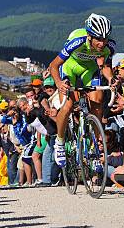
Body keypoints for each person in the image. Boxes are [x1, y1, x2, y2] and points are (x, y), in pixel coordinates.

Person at [48, 13, 115, 167]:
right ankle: (59, 142)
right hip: (70, 67)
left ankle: (93, 148)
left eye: (105, 38)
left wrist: (111, 79)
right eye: (98, 39)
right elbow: (54, 65)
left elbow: (105, 66)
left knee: (97, 101)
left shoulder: (109, 47)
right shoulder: (77, 42)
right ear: (89, 36)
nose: (102, 42)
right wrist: (58, 83)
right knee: (69, 105)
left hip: (89, 69)